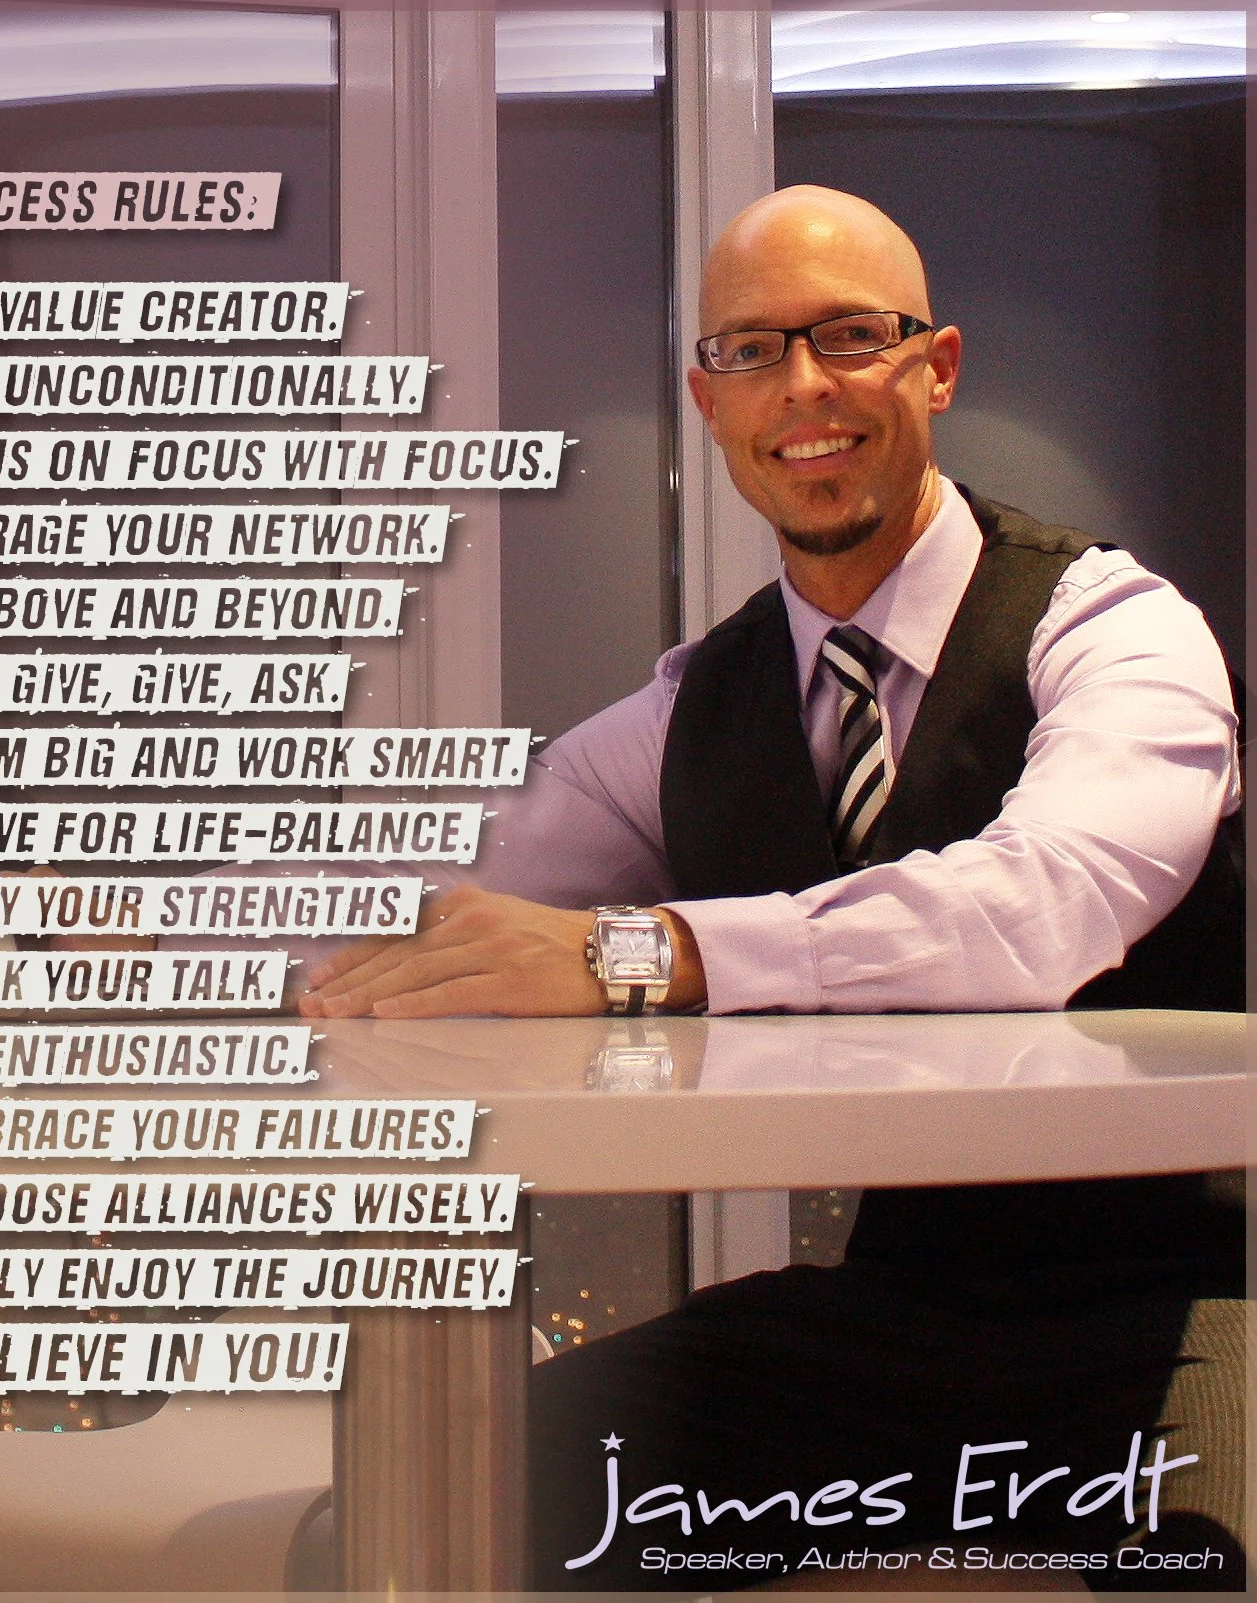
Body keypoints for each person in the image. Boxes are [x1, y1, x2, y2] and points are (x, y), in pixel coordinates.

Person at [299, 187, 1246, 1587]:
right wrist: (134, 932)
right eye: (752, 349)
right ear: (708, 396)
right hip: (901, 1312)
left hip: (1192, 1301)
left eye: (852, 335)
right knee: (420, 1520)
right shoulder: (699, 708)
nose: (803, 386)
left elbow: (1036, 901)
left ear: (939, 364)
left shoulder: (1113, 628)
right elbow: (458, 898)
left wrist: (648, 952)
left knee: (1213, 1564)